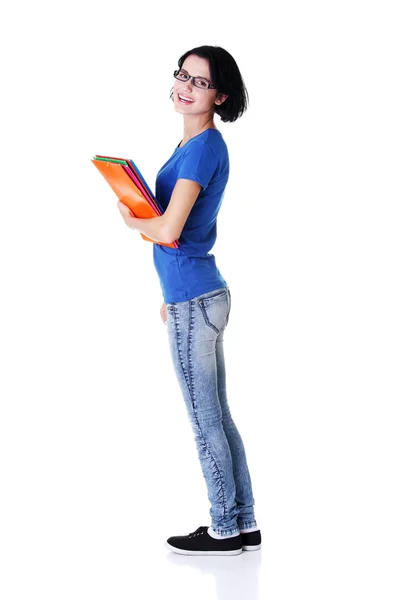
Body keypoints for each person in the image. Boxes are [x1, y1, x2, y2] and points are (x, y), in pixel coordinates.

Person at [117, 45, 261, 556]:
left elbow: (170, 229)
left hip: (195, 301)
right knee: (217, 415)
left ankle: (223, 527)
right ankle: (243, 521)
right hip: (199, 295)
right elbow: (185, 233)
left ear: (220, 96)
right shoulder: (196, 146)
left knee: (206, 420)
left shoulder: (202, 149)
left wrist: (134, 221)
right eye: (183, 75)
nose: (185, 86)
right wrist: (169, 296)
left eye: (200, 82)